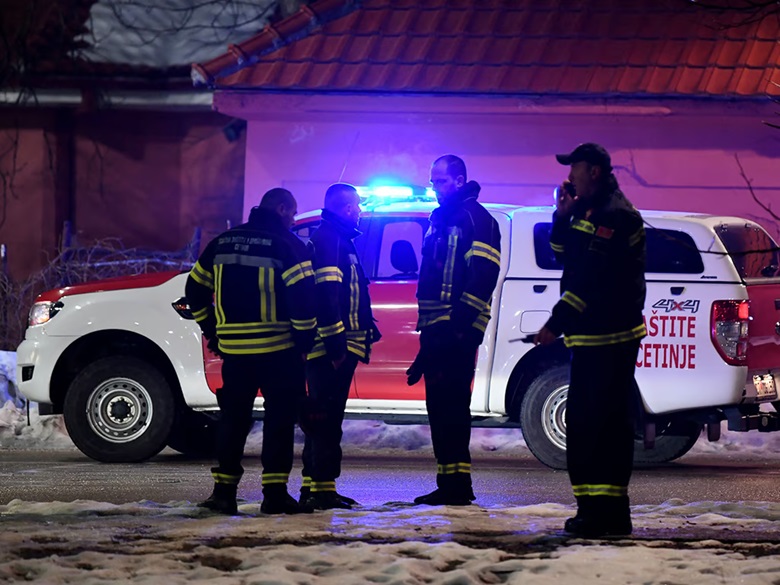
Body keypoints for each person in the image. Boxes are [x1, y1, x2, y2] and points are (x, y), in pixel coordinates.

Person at [534, 143, 647, 537]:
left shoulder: (615, 215)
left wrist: (555, 322)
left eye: (576, 168)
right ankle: (596, 512)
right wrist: (561, 216)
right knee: (589, 425)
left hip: (609, 337)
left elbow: (589, 279)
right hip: (593, 336)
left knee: (599, 426)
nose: (571, 176)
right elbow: (562, 255)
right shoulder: (587, 209)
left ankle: (606, 515)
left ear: (594, 171)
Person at [186, 187, 316, 516]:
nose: (294, 219)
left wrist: (212, 329)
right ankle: (274, 495)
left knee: (233, 421)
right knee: (279, 422)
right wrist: (304, 343)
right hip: (278, 351)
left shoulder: (223, 242)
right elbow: (303, 300)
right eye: (293, 212)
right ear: (283, 209)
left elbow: (194, 291)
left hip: (235, 353)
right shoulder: (288, 245)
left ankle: (224, 493)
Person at [407, 155, 501, 506]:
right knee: (440, 408)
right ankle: (449, 482)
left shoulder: (478, 219)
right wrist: (427, 346)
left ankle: (458, 486)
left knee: (452, 407)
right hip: (437, 329)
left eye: (441, 181)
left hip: (457, 330)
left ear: (459, 181)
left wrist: (459, 328)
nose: (434, 187)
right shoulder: (440, 220)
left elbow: (482, 276)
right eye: (432, 181)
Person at [300, 183, 380, 510]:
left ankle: (320, 487)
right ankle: (319, 491)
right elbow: (327, 296)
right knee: (326, 420)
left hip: (335, 348)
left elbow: (349, 292)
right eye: (357, 205)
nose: (360, 210)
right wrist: (336, 347)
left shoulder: (337, 239)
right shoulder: (331, 240)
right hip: (329, 351)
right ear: (346, 208)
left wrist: (367, 324)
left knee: (327, 420)